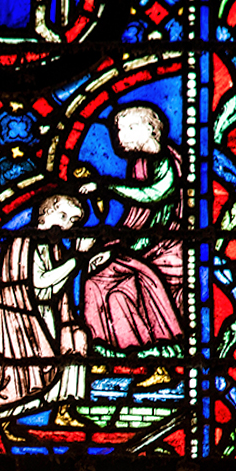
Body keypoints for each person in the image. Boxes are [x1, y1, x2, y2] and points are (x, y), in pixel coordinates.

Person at [78, 104, 186, 356]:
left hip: (170, 247)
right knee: (96, 278)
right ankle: (108, 350)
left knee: (132, 279)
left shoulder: (165, 161)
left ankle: (161, 353)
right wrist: (113, 245)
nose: (118, 137)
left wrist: (107, 187)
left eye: (124, 129)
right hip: (145, 244)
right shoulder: (139, 164)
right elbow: (136, 219)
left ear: (148, 129)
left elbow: (156, 193)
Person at [0, 193, 91, 423]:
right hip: (22, 318)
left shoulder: (52, 248)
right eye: (62, 216)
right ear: (44, 214)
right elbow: (40, 281)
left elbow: (53, 292)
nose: (65, 225)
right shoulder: (24, 242)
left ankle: (64, 411)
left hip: (46, 314)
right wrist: (77, 258)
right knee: (24, 374)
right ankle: (5, 420)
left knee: (76, 339)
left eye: (71, 222)